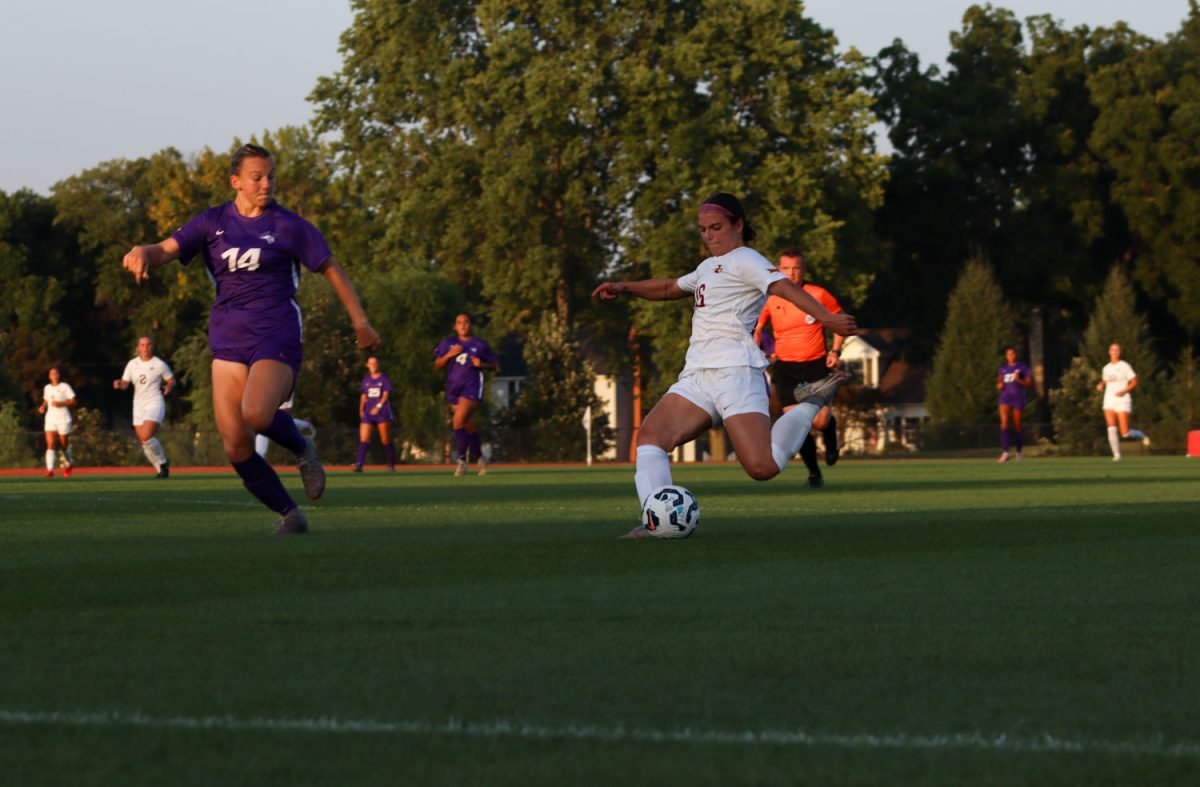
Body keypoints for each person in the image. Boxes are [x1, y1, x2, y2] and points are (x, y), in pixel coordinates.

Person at [121, 143, 380, 534]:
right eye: (257, 177)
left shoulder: (288, 225)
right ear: (236, 181)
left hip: (277, 331)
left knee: (257, 413)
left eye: (270, 175)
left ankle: (302, 447)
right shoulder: (212, 223)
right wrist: (141, 250)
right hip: (228, 339)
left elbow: (330, 267)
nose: (266, 183)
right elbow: (164, 250)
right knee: (236, 446)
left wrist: (360, 321)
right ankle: (291, 514)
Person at [592, 193, 856, 538]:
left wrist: (829, 319)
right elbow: (671, 288)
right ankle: (653, 521)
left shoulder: (746, 259)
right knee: (651, 437)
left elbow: (785, 287)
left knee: (762, 467)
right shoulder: (707, 267)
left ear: (739, 225)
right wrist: (625, 287)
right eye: (703, 229)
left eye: (716, 227)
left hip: (736, 374)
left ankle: (810, 402)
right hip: (697, 376)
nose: (708, 235)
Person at [753, 249, 845, 488]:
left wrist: (835, 351)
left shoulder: (818, 294)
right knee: (797, 426)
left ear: (803, 270)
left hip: (815, 366)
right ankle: (814, 473)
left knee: (820, 422)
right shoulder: (770, 298)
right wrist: (756, 353)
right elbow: (757, 327)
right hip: (786, 369)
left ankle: (830, 432)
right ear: (778, 269)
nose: (791, 273)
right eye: (786, 268)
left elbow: (839, 321)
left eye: (796, 268)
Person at [434, 313, 497, 476]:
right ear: (455, 326)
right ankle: (480, 458)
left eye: (466, 322)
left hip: (472, 387)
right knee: (467, 425)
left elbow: (494, 365)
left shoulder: (479, 344)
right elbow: (437, 365)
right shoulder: (449, 343)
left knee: (457, 421)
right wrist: (448, 355)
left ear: (470, 325)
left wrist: (481, 364)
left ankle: (462, 461)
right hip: (454, 388)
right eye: (459, 323)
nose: (463, 325)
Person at [113, 335, 175, 478]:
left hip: (155, 403)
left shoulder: (159, 364)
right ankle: (161, 468)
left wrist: (169, 386)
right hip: (138, 406)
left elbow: (171, 380)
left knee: (147, 436)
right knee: (143, 440)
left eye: (148, 345)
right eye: (142, 345)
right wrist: (119, 383)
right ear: (137, 348)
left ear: (152, 347)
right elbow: (125, 383)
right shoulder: (132, 364)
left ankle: (163, 462)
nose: (145, 348)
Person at [1096, 343, 1147, 461]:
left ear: (1120, 352)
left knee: (1124, 433)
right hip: (1109, 399)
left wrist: (1124, 391)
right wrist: (1101, 385)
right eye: (1112, 350)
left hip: (1123, 400)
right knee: (1111, 428)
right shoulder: (1106, 368)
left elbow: (1134, 381)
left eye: (1117, 350)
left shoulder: (1125, 366)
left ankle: (1139, 434)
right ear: (1109, 352)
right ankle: (1117, 455)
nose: (1114, 352)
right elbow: (1105, 381)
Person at [354, 356, 396, 472]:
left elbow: (386, 395)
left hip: (381, 413)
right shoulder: (366, 379)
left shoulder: (384, 379)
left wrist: (378, 407)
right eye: (370, 363)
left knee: (385, 439)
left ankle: (391, 464)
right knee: (364, 439)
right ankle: (359, 464)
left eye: (375, 363)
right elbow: (363, 395)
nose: (372, 365)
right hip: (368, 413)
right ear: (367, 365)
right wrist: (361, 409)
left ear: (378, 364)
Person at [995, 346, 1033, 463]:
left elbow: (1028, 383)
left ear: (1015, 355)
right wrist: (999, 385)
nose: (1010, 356)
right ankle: (1005, 452)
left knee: (1017, 425)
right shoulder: (1003, 368)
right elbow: (999, 382)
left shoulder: (1022, 367)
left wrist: (1018, 380)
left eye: (1012, 354)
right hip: (1005, 398)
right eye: (1008, 354)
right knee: (1004, 423)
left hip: (1018, 398)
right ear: (1006, 356)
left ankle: (1018, 452)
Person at [37, 367, 76, 478]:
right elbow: (46, 400)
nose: (53, 375)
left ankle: (70, 463)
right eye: (51, 373)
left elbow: (73, 400)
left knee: (64, 446)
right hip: (51, 419)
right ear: (49, 376)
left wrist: (61, 403)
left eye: (55, 373)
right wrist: (43, 407)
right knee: (50, 444)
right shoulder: (47, 388)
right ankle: (50, 470)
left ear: (59, 375)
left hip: (64, 419)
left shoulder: (65, 387)